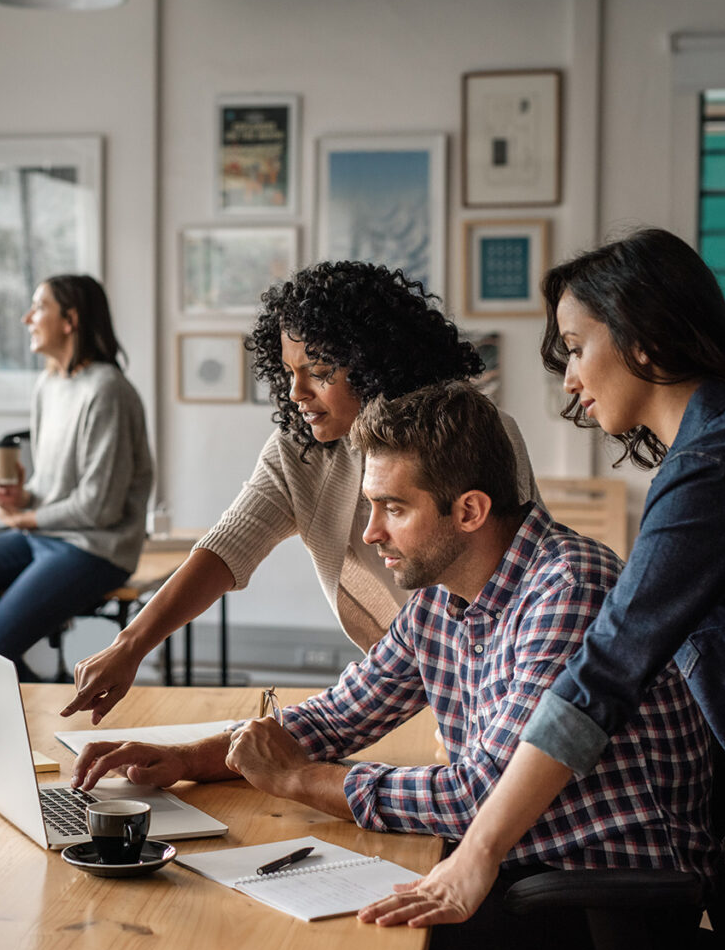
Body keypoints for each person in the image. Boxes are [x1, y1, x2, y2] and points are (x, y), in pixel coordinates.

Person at [360, 229, 725, 950]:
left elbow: (599, 679)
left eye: (576, 347)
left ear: (644, 335)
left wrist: (478, 852)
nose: (571, 381)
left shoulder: (716, 470)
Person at [72, 380, 717, 950]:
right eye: (371, 506)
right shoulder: (443, 596)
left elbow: (475, 796)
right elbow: (338, 715)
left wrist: (301, 782)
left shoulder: (567, 588)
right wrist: (193, 757)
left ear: (469, 511)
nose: (372, 532)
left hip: (595, 908)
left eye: (393, 509)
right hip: (513, 875)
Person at [61, 262, 538, 723]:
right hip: (398, 680)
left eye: (318, 370)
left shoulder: (471, 436)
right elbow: (227, 548)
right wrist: (130, 647)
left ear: (375, 363)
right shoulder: (301, 450)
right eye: (289, 372)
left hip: (494, 676)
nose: (296, 392)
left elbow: (512, 586)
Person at [0, 275, 153, 682]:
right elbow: (53, 491)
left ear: (70, 319)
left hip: (95, 550)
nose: (27, 318)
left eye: (39, 307)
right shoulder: (48, 385)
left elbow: (100, 506)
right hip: (44, 538)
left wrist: (24, 518)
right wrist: (22, 497)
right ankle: (30, 690)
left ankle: (15, 690)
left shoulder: (108, 390)